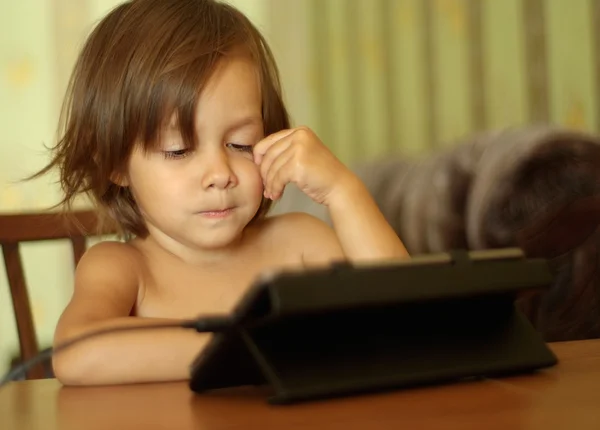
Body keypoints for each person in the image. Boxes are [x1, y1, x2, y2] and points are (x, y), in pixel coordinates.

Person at [35, 0, 408, 386]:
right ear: (114, 164)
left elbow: (405, 323)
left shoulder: (300, 243)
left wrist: (344, 191)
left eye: (241, 144)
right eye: (179, 149)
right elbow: (75, 353)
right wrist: (254, 344)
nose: (219, 174)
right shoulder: (122, 268)